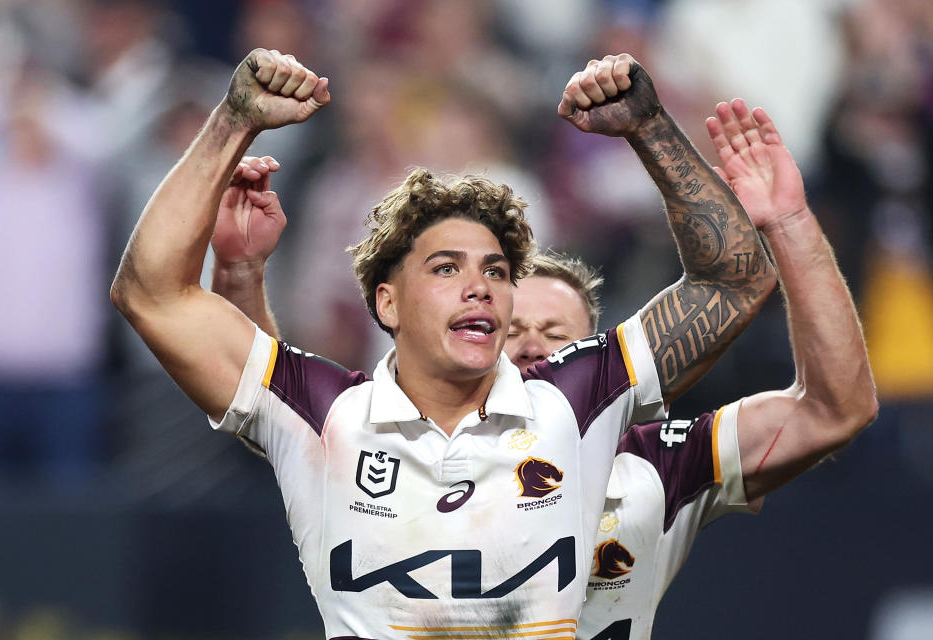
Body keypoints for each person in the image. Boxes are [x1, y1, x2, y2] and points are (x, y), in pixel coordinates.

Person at [112, 49, 775, 635]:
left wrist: (650, 129)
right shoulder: (323, 415)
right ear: (387, 302)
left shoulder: (576, 395)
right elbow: (149, 292)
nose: (480, 286)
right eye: (446, 268)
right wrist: (233, 121)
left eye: (495, 270)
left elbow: (736, 282)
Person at [214, 100, 879, 639]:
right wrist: (241, 273)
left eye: (557, 339)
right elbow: (270, 414)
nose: (533, 350)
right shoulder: (402, 451)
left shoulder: (660, 466)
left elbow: (835, 409)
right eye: (510, 331)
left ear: (598, 364)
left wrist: (789, 223)